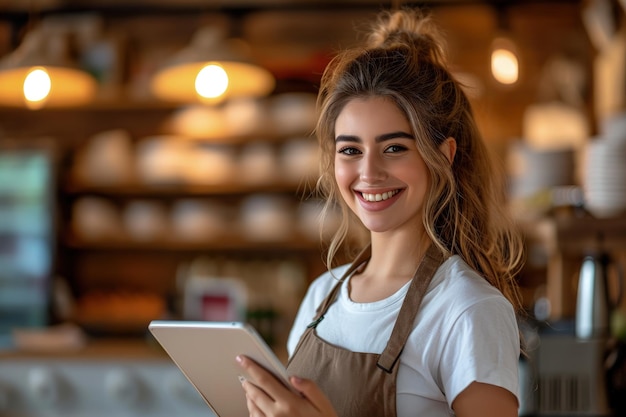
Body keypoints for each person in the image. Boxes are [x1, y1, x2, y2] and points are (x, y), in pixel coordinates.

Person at [237, 7, 525, 417]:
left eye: (394, 148)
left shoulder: (468, 309)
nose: (368, 173)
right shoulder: (322, 298)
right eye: (350, 150)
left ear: (442, 156)